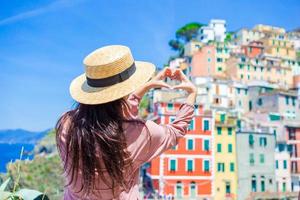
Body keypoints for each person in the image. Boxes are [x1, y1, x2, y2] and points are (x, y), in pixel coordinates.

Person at [56, 45, 197, 200]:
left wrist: (143, 90)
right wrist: (191, 95)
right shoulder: (141, 132)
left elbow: (111, 116)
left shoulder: (66, 124)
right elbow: (174, 132)